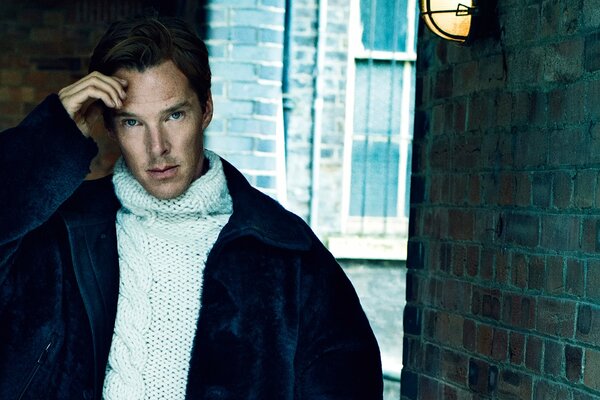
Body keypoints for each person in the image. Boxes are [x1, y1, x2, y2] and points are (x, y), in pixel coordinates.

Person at [0, 15, 383, 400]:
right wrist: (48, 137)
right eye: (133, 122)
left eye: (174, 115)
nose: (157, 147)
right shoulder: (61, 233)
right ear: (112, 128)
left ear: (206, 109)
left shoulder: (286, 252)